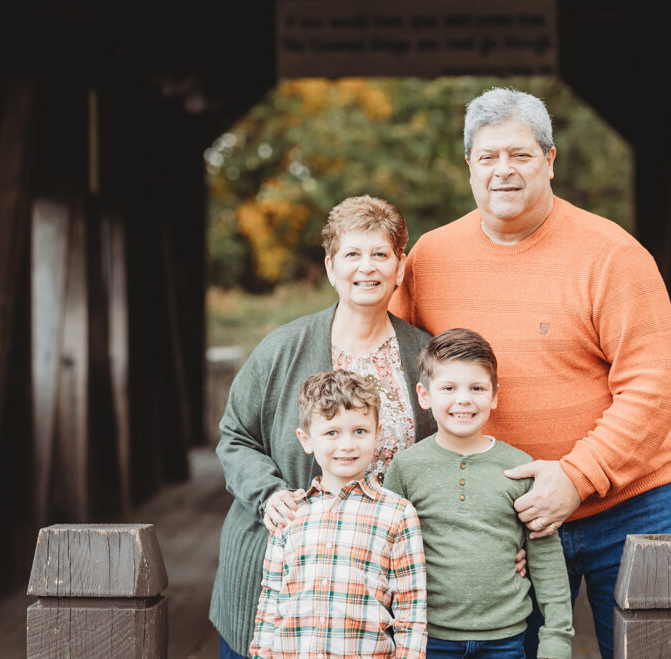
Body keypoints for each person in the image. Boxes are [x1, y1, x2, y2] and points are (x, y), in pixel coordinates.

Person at [389, 87, 671, 659]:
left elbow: (656, 386)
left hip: (631, 504)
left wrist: (575, 478)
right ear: (469, 167)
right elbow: (393, 367)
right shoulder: (429, 258)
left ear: (550, 160)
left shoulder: (612, 255)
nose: (503, 171)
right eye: (488, 157)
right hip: (499, 518)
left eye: (520, 155)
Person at [211, 195, 436, 659]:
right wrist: (267, 494)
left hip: (370, 605)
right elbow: (235, 437)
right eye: (353, 254)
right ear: (332, 267)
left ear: (400, 266)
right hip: (278, 596)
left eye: (380, 254)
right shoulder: (282, 350)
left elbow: (452, 456)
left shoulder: (425, 357)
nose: (367, 267)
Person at [383, 329, 573, 659]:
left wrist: (557, 636)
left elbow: (545, 557)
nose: (464, 399)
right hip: (429, 637)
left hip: (506, 638)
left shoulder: (518, 467)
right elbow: (384, 549)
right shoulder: (406, 467)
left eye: (477, 388)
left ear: (494, 395)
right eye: (448, 388)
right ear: (424, 395)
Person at [249, 370, 427, 658]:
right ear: (306, 440)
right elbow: (270, 601)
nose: (347, 445)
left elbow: (411, 612)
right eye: (332, 433)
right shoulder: (290, 513)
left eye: (360, 431)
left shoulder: (398, 514)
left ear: (377, 434)